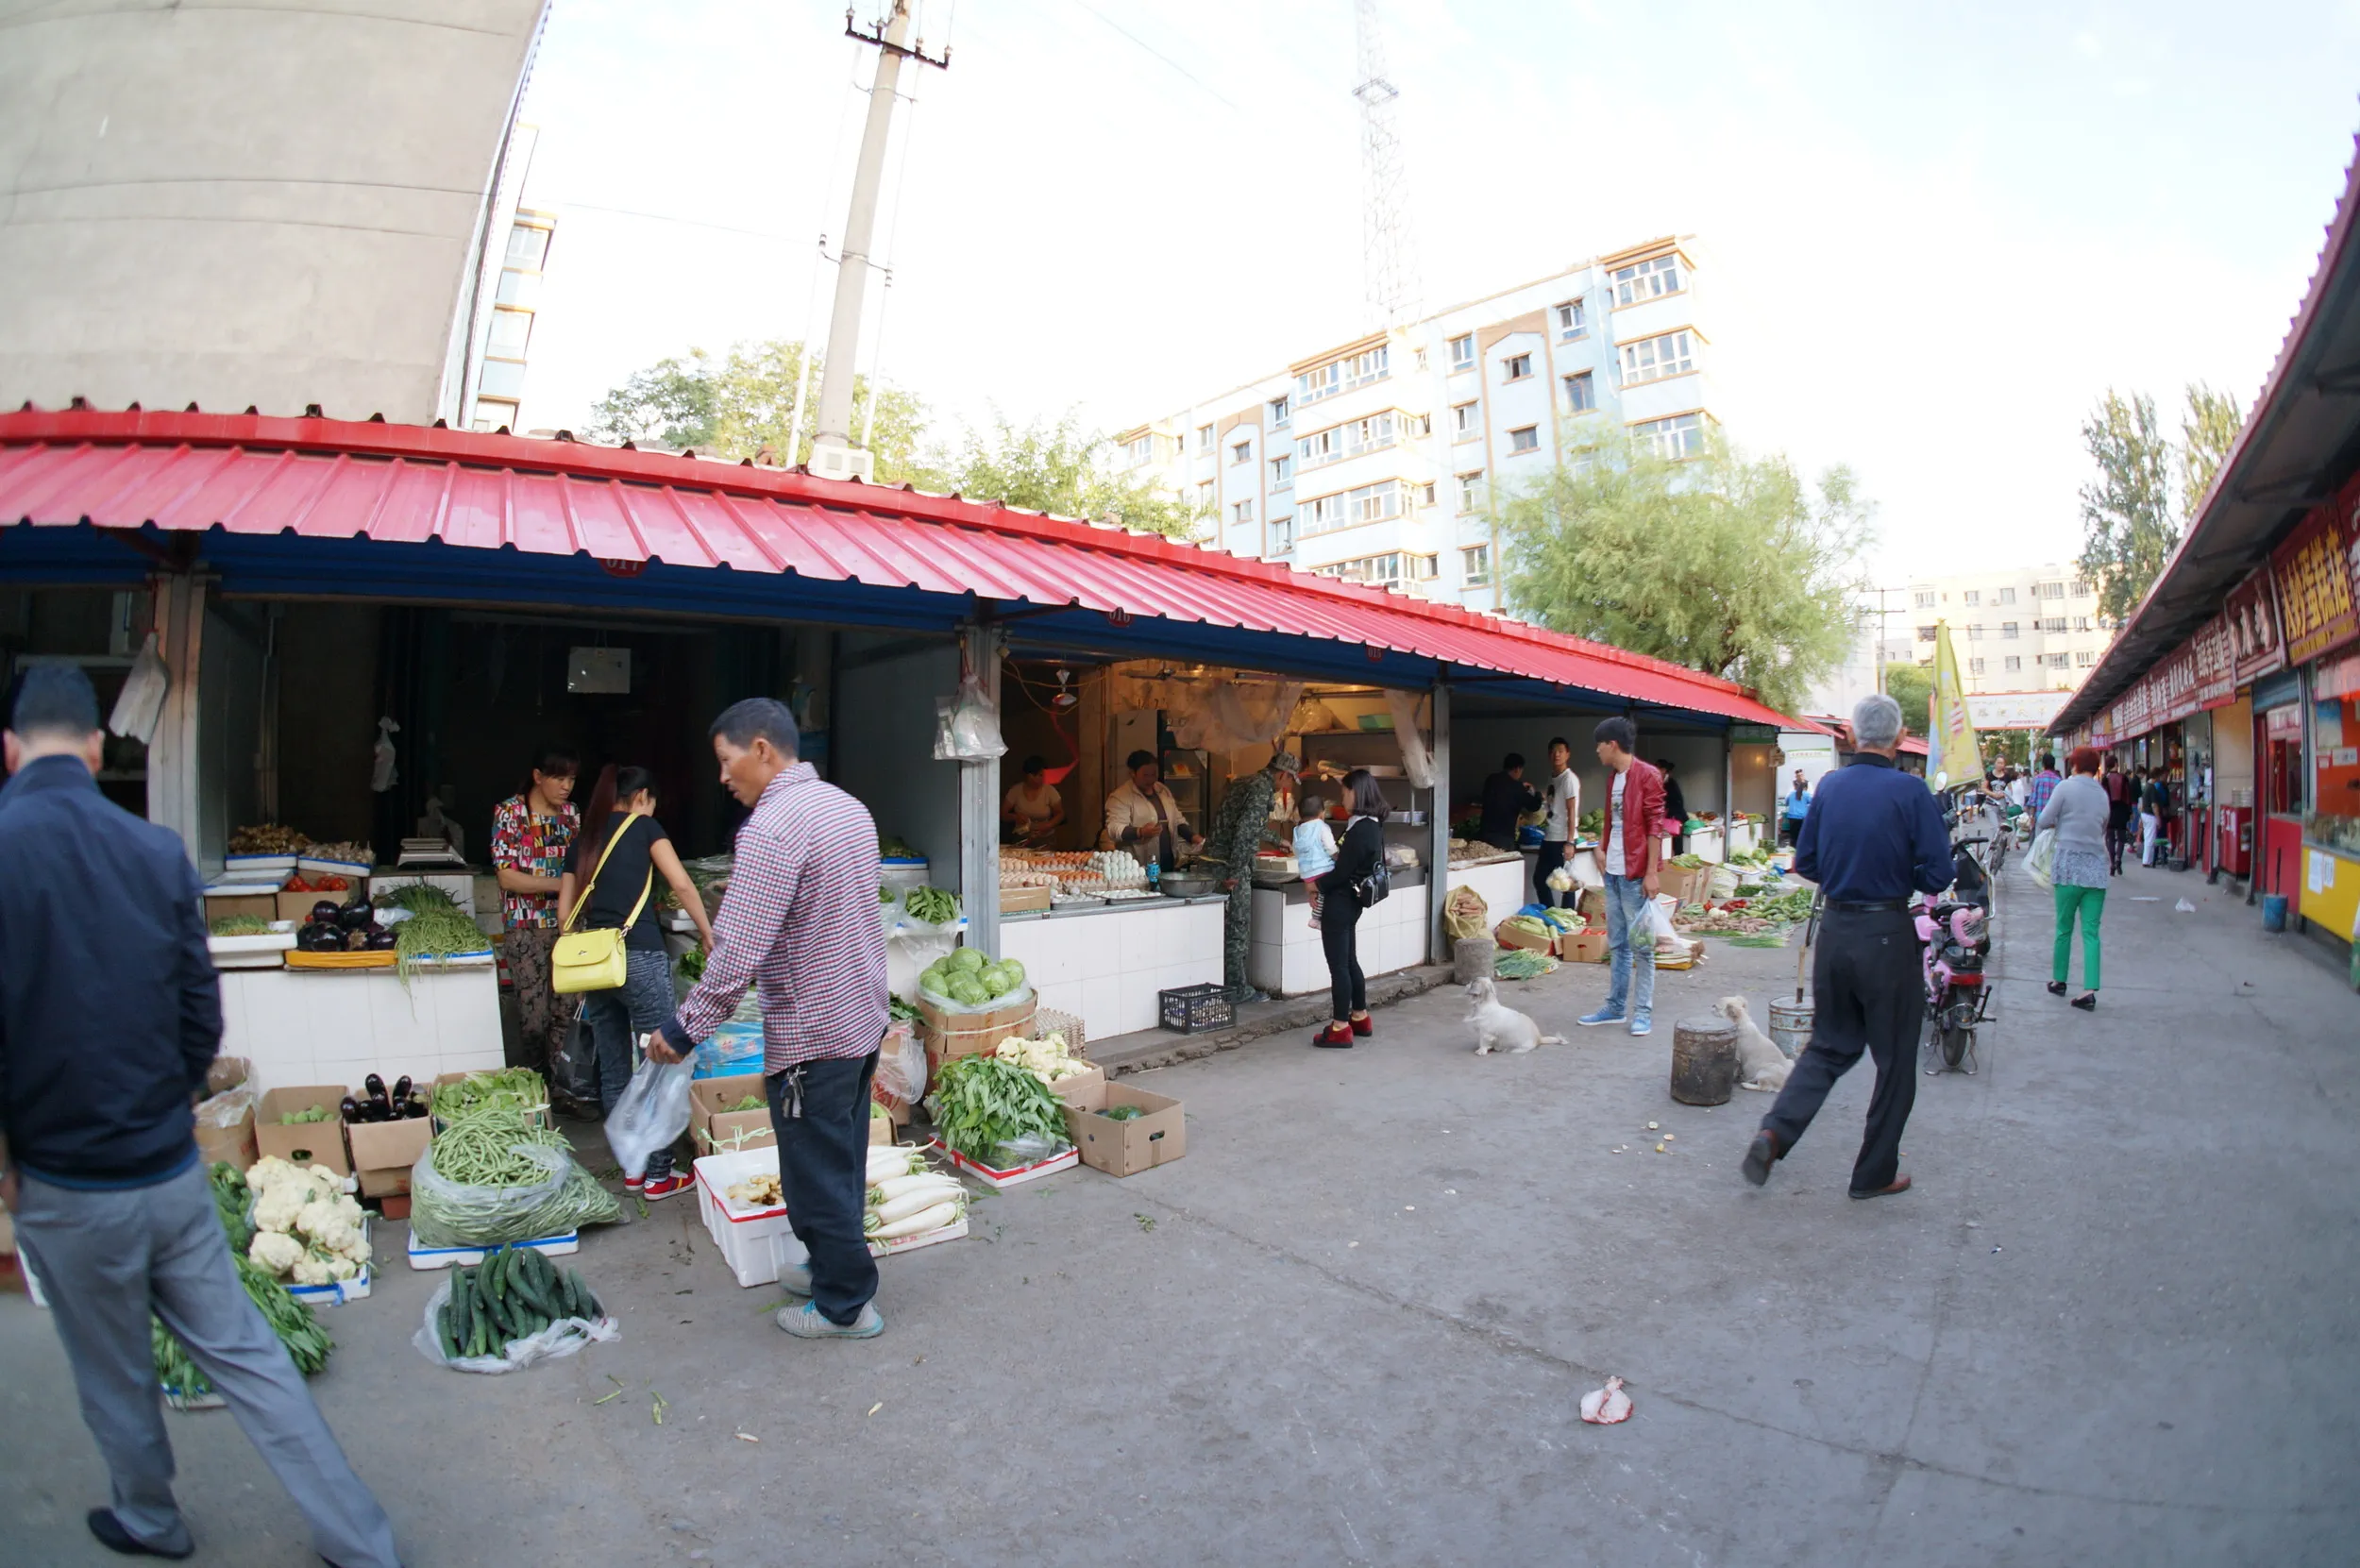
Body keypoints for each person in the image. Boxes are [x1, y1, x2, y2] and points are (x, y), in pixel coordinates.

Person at [0, 666, 401, 1567]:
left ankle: (150, 1519)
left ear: (11, 749)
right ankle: (362, 1542)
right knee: (249, 1355)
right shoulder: (154, 853)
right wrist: (166, 1107)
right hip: (167, 1168)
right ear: (101, 748)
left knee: (111, 1364)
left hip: (66, 1182)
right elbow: (197, 1015)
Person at [649, 699, 890, 1339]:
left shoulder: (772, 827)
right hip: (860, 1019)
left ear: (762, 749)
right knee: (838, 1161)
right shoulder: (847, 808)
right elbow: (827, 907)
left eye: (727, 762)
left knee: (813, 1174)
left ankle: (845, 1305)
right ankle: (830, 1267)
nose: (723, 778)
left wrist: (682, 1029)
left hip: (813, 1032)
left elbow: (735, 955)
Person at [1742, 692, 1952, 1202]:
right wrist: (1900, 870)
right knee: (1896, 1060)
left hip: (1835, 931)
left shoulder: (1830, 787)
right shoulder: (1911, 791)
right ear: (1900, 739)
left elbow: (1806, 864)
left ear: (1852, 737)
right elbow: (1940, 872)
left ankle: (1775, 1131)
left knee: (1829, 1046)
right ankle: (1873, 1173)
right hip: (1887, 935)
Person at [557, 765, 715, 1198]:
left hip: (598, 965)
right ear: (642, 796)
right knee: (662, 1060)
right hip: (640, 957)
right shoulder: (644, 827)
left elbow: (563, 917)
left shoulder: (582, 840)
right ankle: (659, 1176)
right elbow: (680, 882)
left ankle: (632, 1170)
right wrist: (705, 930)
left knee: (613, 1067)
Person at [491, 745, 582, 1100]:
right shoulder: (511, 813)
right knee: (532, 1015)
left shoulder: (572, 815)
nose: (566, 787)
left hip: (569, 927)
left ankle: (562, 1091)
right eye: (559, 778)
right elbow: (507, 877)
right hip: (525, 927)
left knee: (566, 1011)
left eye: (572, 779)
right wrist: (561, 885)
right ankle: (534, 1084)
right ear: (538, 777)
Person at [1577, 719, 1668, 1037]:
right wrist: (1601, 850)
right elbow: (1611, 822)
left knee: (1641, 946)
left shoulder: (1648, 775)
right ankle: (1615, 1008)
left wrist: (1652, 872)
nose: (1597, 750)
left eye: (1599, 744)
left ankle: (1642, 1013)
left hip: (1635, 873)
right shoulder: (1613, 778)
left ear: (1612, 744)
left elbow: (1655, 826)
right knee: (1617, 944)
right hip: (1613, 873)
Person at [1203, 752, 1299, 1004]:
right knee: (1237, 929)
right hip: (1228, 866)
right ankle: (1236, 989)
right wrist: (1235, 873)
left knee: (1216, 928)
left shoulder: (1245, 783)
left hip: (1213, 862)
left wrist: (1278, 840)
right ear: (1282, 774)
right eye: (1289, 781)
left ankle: (1217, 983)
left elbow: (1244, 823)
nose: (1287, 787)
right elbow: (1245, 833)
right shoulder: (1262, 790)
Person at [1311, 769, 1389, 1049]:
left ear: (1356, 793)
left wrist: (1314, 885)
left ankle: (1340, 1027)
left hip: (1340, 902)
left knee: (1339, 967)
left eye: (1344, 792)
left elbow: (1341, 872)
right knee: (1349, 960)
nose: (1341, 798)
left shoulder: (1361, 829)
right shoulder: (1371, 824)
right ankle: (1360, 1016)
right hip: (1352, 902)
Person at [2039, 747, 2111, 1011]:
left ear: (2076, 765)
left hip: (2069, 866)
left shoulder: (2065, 788)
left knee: (2064, 928)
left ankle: (2059, 980)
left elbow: (2044, 819)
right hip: (2097, 869)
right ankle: (2090, 990)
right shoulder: (2102, 794)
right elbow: (2103, 827)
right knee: (2091, 932)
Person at [1101, 750, 1195, 868]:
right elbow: (1114, 829)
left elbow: (1177, 820)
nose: (1150, 779)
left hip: (1169, 863)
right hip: (1138, 867)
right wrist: (1140, 832)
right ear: (1132, 773)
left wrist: (1193, 837)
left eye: (1154, 774)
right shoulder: (1120, 797)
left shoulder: (1162, 790)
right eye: (1145, 775)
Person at [1532, 737, 1581, 910]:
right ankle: (1551, 912)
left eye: (1561, 751)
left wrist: (1570, 842)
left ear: (1568, 754)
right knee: (1540, 879)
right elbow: (1553, 804)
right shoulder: (1553, 777)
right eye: (1553, 751)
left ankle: (1567, 919)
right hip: (1550, 836)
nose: (1557, 755)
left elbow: (1571, 810)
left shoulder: (1569, 779)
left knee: (1566, 884)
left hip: (1562, 839)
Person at [1477, 751, 1541, 853]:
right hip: (1504, 840)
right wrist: (1536, 793)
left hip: (1484, 836)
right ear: (1517, 769)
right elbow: (1534, 806)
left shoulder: (1491, 779)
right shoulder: (1518, 788)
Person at [1293, 793, 1337, 932]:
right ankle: (1316, 919)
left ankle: (1316, 916)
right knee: (1328, 890)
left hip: (1307, 873)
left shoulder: (1297, 830)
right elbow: (1330, 848)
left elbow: (1296, 851)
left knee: (1319, 895)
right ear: (1322, 813)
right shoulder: (1322, 827)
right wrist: (1338, 857)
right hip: (1322, 870)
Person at [1002, 755, 1065, 845]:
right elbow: (1003, 814)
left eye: (1043, 775)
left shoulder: (1049, 791)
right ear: (1030, 775)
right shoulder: (1015, 791)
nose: (1042, 779)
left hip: (1045, 839)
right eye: (1040, 775)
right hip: (1022, 839)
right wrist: (1016, 817)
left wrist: (1048, 825)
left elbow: (1060, 813)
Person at [2102, 757, 2133, 875]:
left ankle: (2112, 862)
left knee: (2110, 837)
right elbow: (2128, 796)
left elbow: (2103, 796)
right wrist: (2130, 811)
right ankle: (2119, 859)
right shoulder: (2124, 778)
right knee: (2121, 837)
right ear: (2116, 764)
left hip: (2109, 810)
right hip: (2122, 810)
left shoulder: (2105, 779)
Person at [1658, 758, 1688, 856]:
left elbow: (1672, 801)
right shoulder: (1664, 782)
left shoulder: (1670, 784)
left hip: (1675, 818)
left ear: (1663, 770)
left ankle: (1678, 863)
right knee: (1670, 845)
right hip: (1671, 817)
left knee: (1677, 846)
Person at [2140, 772, 2169, 866]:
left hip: (2145, 814)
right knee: (2150, 839)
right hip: (2150, 815)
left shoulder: (2146, 787)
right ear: (2157, 777)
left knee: (2148, 837)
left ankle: (2147, 860)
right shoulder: (2152, 788)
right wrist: (2158, 818)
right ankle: (2147, 861)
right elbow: (2154, 805)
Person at [1780, 769, 1812, 849]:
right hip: (1802, 818)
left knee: (1793, 837)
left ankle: (1792, 852)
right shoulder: (1806, 794)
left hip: (1792, 818)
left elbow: (1786, 802)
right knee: (1801, 836)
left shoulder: (1791, 794)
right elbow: (1813, 802)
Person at [2028, 750, 2062, 823]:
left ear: (2043, 764)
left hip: (2039, 819)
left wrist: (2031, 817)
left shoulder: (2037, 779)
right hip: (2054, 821)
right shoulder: (2058, 780)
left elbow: (2033, 801)